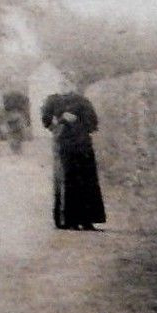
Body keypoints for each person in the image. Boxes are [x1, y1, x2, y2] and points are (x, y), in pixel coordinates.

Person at [41, 90, 106, 231]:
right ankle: (68, 220)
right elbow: (46, 121)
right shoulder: (52, 100)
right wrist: (60, 123)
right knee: (67, 179)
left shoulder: (83, 100)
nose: (65, 84)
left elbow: (93, 123)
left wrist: (79, 121)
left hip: (82, 144)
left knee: (86, 179)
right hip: (63, 145)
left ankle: (87, 220)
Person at [3, 89, 31, 155]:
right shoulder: (21, 99)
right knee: (18, 132)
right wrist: (28, 121)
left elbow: (4, 108)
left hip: (9, 116)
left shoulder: (6, 99)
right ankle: (17, 147)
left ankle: (13, 147)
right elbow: (25, 110)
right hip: (18, 115)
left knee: (11, 133)